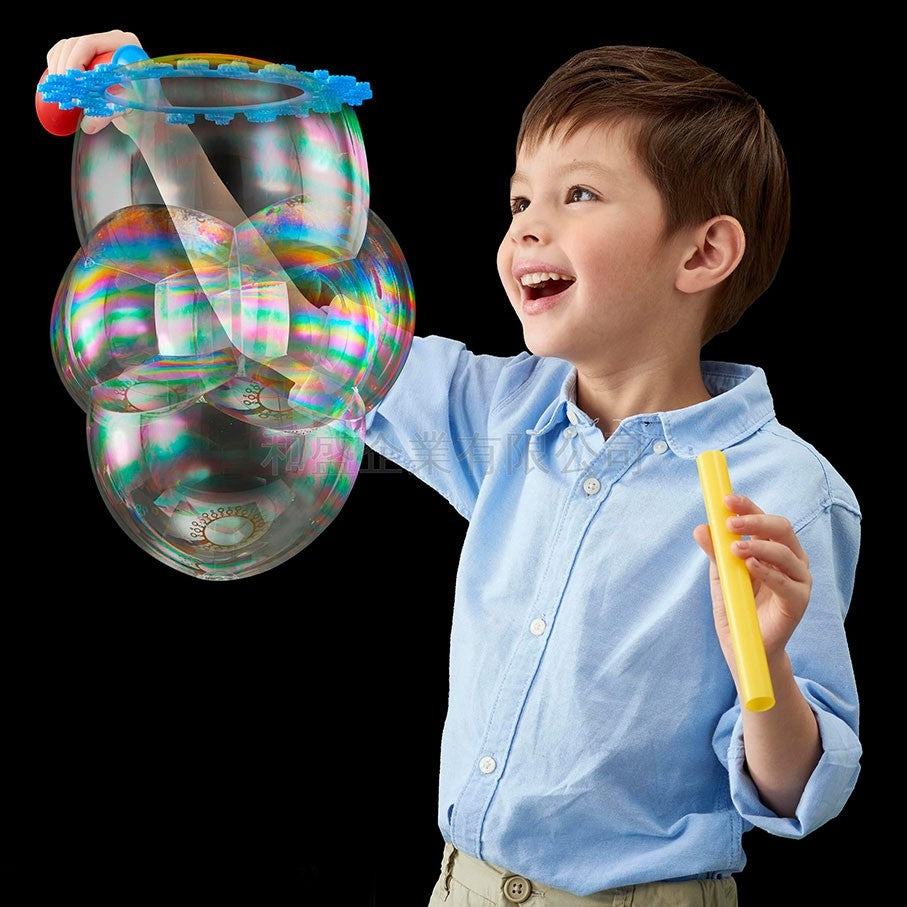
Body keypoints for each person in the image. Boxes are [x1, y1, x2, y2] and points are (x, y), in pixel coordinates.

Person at [44, 31, 862, 906]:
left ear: (701, 254)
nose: (527, 227)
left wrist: (764, 665)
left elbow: (795, 792)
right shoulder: (503, 414)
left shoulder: (781, 491)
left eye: (577, 193)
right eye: (518, 201)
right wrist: (157, 128)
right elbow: (270, 315)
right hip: (462, 887)